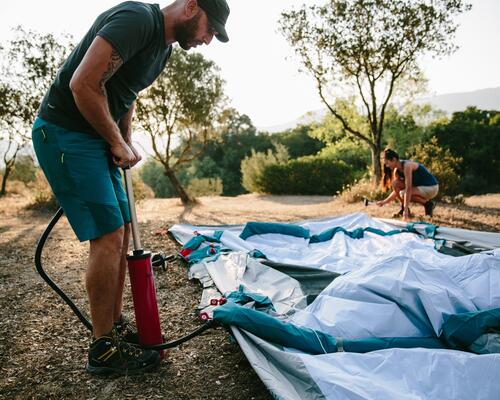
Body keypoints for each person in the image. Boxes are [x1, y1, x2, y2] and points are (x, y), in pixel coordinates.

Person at [31, 0, 230, 376]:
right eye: (210, 29)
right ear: (191, 6)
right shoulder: (136, 19)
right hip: (65, 132)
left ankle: (114, 327)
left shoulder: (164, 49)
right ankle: (102, 349)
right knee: (107, 235)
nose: (208, 39)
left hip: (96, 138)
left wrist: (125, 138)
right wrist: (115, 141)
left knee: (121, 231)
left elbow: (127, 92)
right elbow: (83, 83)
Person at [376, 148, 439, 219]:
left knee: (403, 193)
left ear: (394, 159)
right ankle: (406, 209)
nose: (387, 166)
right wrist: (384, 202)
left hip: (431, 188)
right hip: (420, 188)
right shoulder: (397, 171)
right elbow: (396, 192)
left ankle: (427, 204)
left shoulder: (407, 166)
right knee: (395, 184)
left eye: (387, 163)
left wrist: (405, 212)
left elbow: (408, 188)